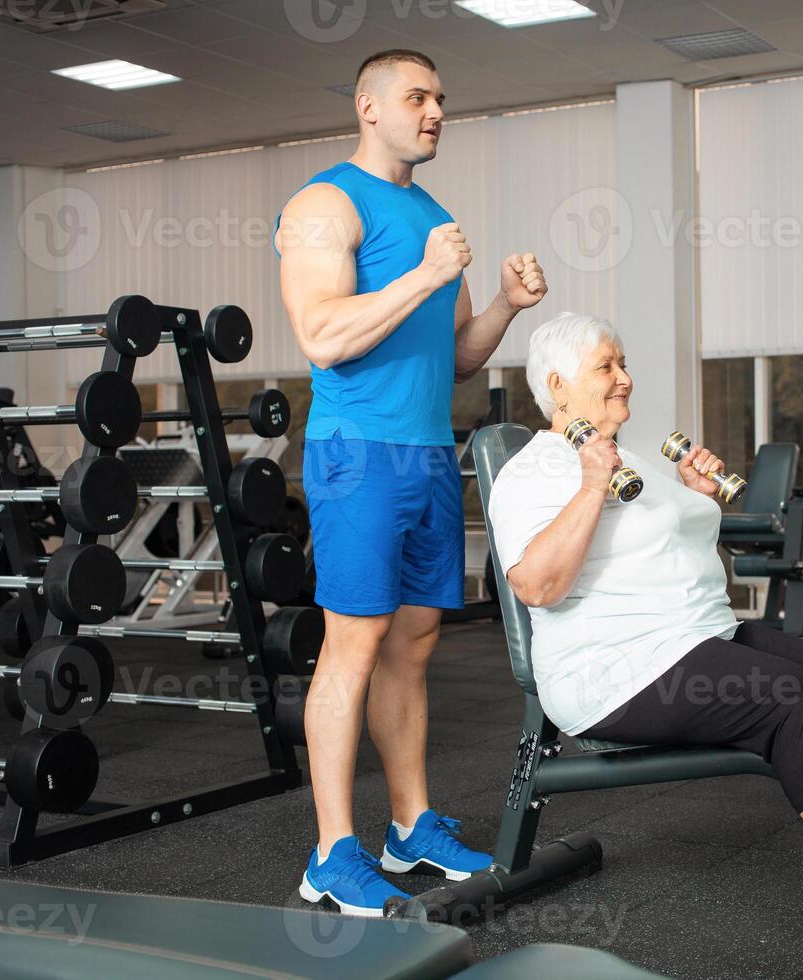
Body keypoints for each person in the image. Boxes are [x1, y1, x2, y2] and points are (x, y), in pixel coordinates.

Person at [486, 313, 803, 949]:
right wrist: (591, 485)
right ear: (558, 386)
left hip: (695, 636)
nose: (626, 378)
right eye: (607, 367)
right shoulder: (534, 472)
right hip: (613, 669)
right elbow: (537, 586)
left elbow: (666, 551)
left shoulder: (634, 456)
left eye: (624, 363)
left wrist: (696, 495)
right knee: (785, 698)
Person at [275, 49, 548, 916]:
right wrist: (427, 273)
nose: (434, 111)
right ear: (368, 106)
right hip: (358, 453)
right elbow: (320, 334)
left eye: (441, 99)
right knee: (351, 645)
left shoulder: (431, 211)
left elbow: (459, 358)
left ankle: (408, 824)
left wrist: (502, 302)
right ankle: (330, 851)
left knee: (415, 643)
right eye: (417, 97)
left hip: (432, 452)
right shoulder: (326, 204)